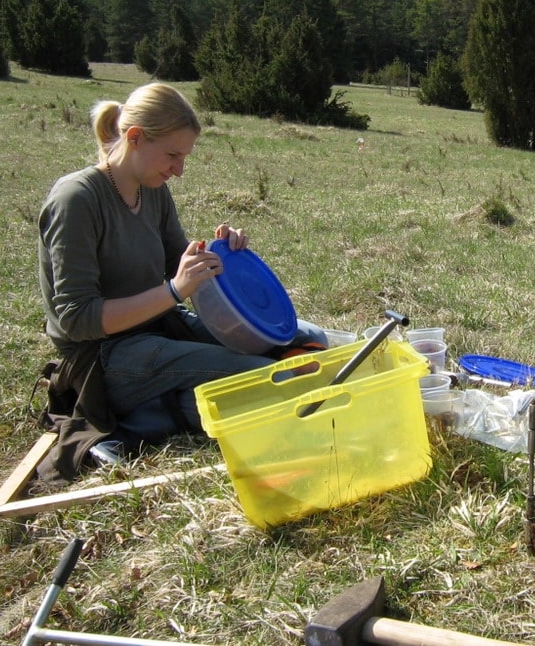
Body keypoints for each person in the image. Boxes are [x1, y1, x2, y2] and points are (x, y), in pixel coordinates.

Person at [37, 82, 326, 477]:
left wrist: (220, 255)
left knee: (303, 337)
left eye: (184, 157)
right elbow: (77, 318)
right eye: (172, 155)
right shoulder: (77, 200)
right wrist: (174, 290)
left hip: (159, 328)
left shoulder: (150, 189)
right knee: (261, 377)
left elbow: (178, 259)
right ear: (135, 138)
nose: (179, 169)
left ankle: (165, 404)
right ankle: (150, 415)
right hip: (105, 358)